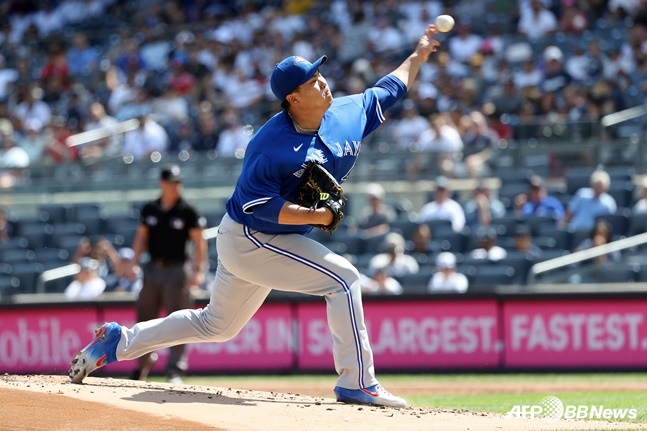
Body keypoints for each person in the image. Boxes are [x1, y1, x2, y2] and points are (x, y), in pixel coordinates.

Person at [69, 24, 442, 408]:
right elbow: (259, 207)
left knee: (216, 325)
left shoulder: (346, 112)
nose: (323, 82)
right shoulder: (269, 145)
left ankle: (118, 341)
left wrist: (417, 55)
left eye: (320, 74)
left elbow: (389, 88)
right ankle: (358, 382)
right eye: (312, 81)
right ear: (294, 98)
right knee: (344, 279)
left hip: (259, 238)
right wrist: (318, 216)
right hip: (251, 236)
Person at [127, 164, 207, 384]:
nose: (175, 187)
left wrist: (199, 270)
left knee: (179, 320)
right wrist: (133, 263)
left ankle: (175, 369)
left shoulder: (188, 211)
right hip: (152, 269)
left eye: (178, 183)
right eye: (171, 182)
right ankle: (142, 363)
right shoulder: (150, 209)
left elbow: (199, 243)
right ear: (161, 184)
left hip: (177, 270)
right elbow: (141, 237)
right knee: (143, 319)